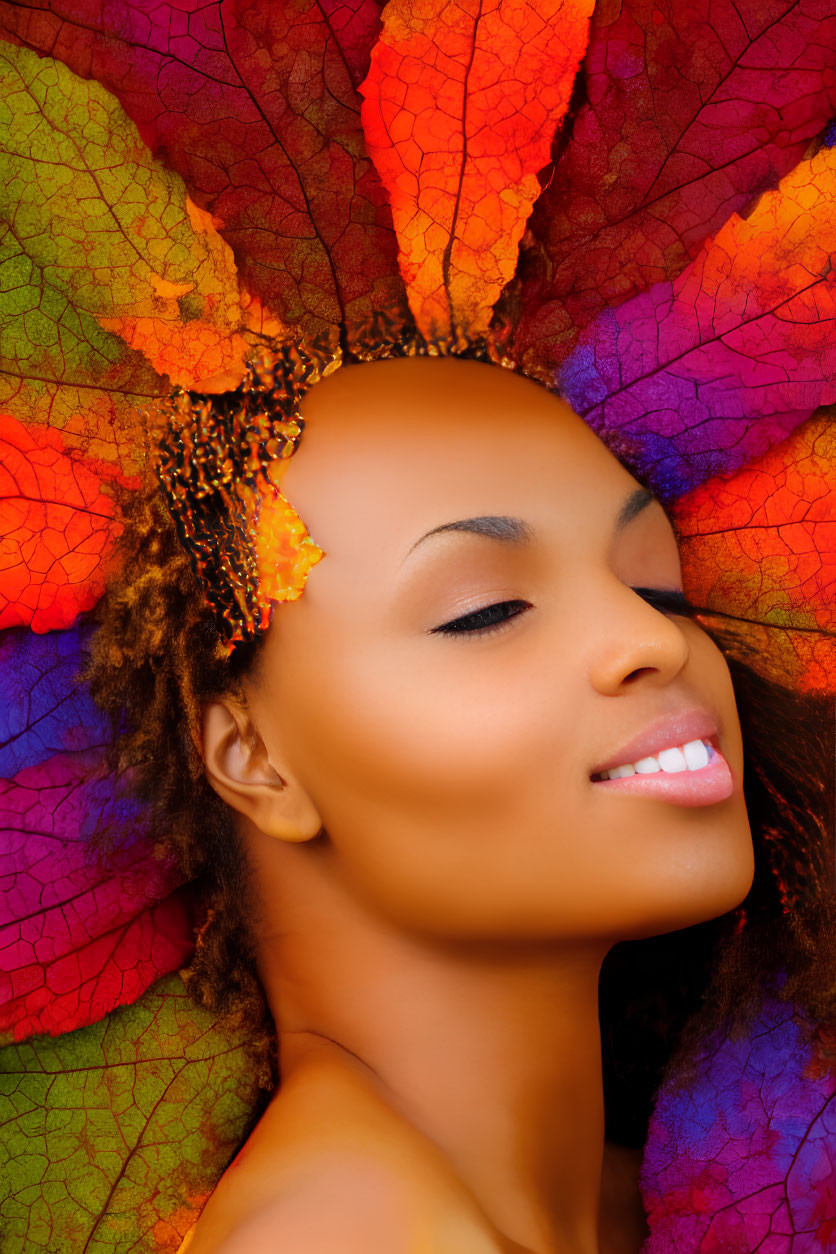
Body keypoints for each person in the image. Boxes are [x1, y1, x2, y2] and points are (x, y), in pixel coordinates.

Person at [87, 326, 821, 1254]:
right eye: (486, 611)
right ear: (254, 758)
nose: (656, 640)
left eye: (657, 586)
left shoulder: (652, 1208)